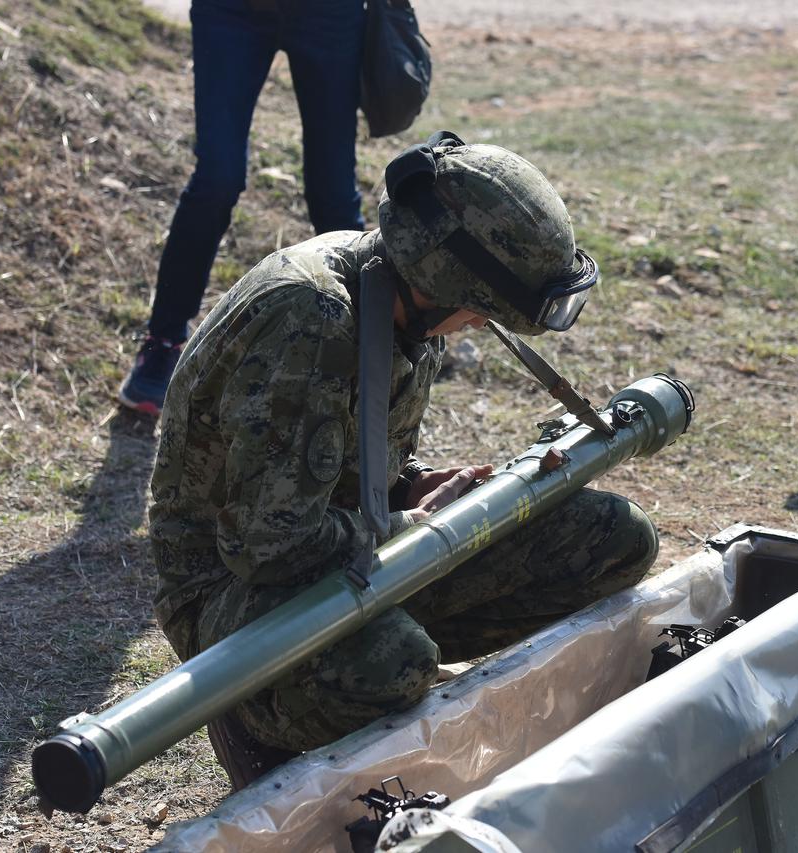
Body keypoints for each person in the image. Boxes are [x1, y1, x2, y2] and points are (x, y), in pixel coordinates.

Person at [146, 134, 659, 787]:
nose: (477, 325)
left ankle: (382, 658)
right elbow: (267, 544)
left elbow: (344, 472)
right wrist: (412, 525)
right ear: (448, 283)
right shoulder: (313, 317)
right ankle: (255, 715)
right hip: (232, 593)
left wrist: (414, 490)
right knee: (392, 664)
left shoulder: (402, 303)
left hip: (345, 554)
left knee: (611, 540)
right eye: (481, 309)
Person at [120, 0, 367, 416]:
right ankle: (162, 344)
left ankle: (372, 354)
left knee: (333, 194)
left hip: (330, 12)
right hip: (230, 11)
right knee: (217, 178)